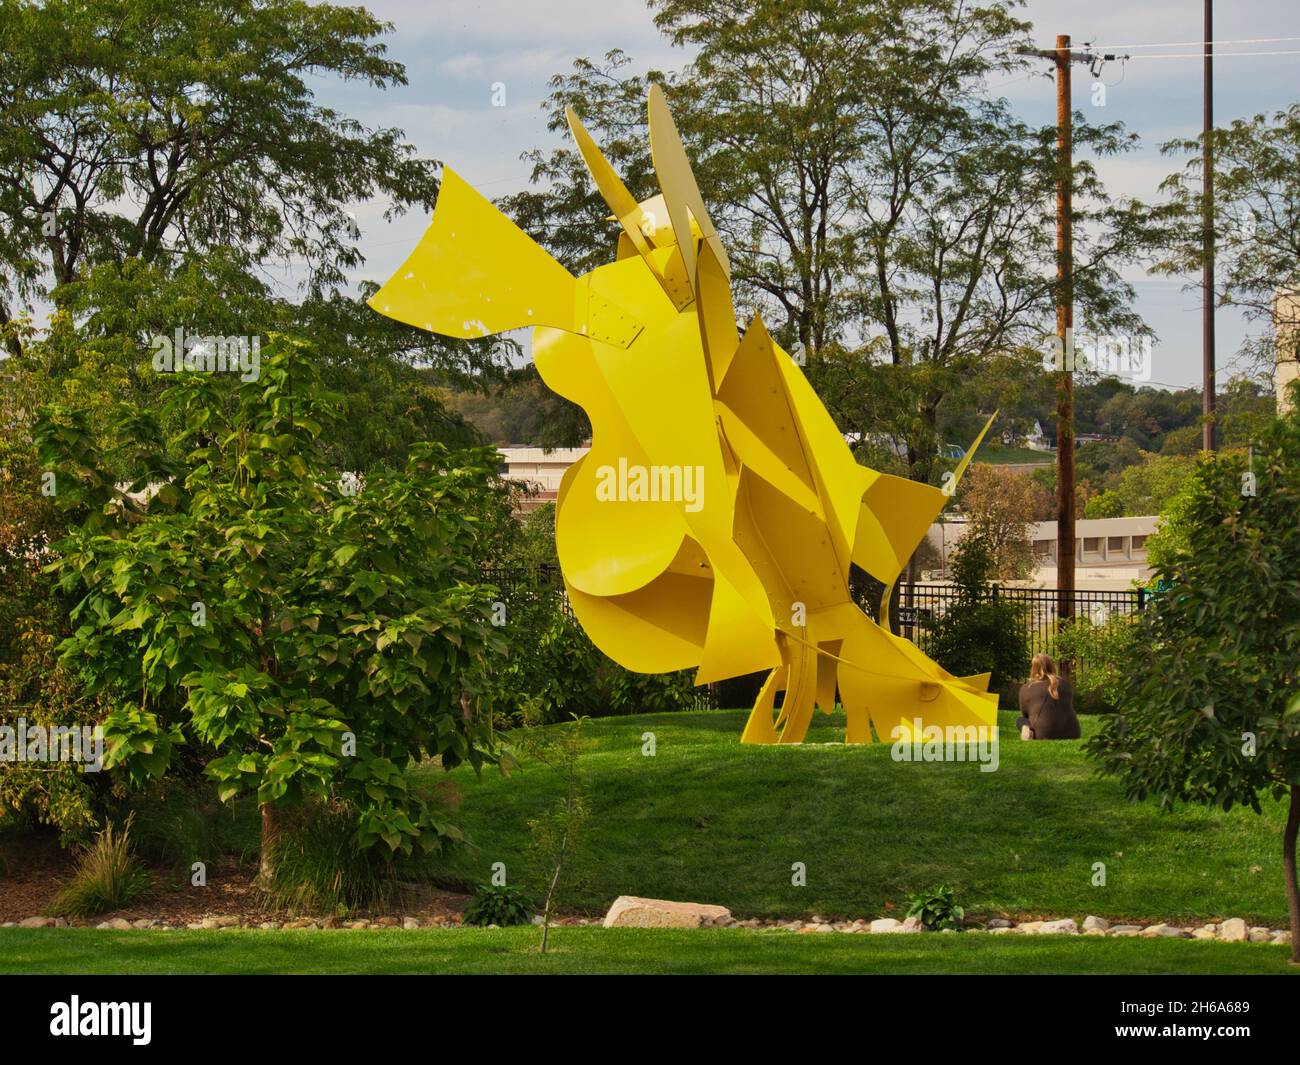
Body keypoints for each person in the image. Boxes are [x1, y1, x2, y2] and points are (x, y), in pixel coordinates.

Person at [1016, 653, 1080, 740]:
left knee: (1021, 719)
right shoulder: (1065, 684)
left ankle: (1027, 730)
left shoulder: (1026, 688)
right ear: (1051, 666)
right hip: (1073, 733)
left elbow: (1025, 714)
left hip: (1044, 733)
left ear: (1033, 668)